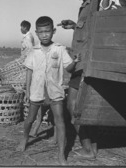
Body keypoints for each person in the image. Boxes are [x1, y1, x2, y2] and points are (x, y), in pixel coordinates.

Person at [16, 16, 80, 165]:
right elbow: (29, 71)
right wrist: (27, 91)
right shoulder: (34, 51)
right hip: (36, 91)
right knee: (30, 119)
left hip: (55, 92)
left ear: (53, 31)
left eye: (47, 31)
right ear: (36, 33)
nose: (44, 34)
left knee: (60, 121)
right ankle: (24, 139)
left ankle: (61, 154)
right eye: (41, 32)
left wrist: (75, 63)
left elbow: (69, 68)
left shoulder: (60, 49)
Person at [60, 0, 98, 159]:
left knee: (73, 106)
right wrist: (74, 26)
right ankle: (91, 145)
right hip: (79, 64)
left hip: (86, 64)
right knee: (75, 105)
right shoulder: (85, 5)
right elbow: (90, 29)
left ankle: (87, 149)